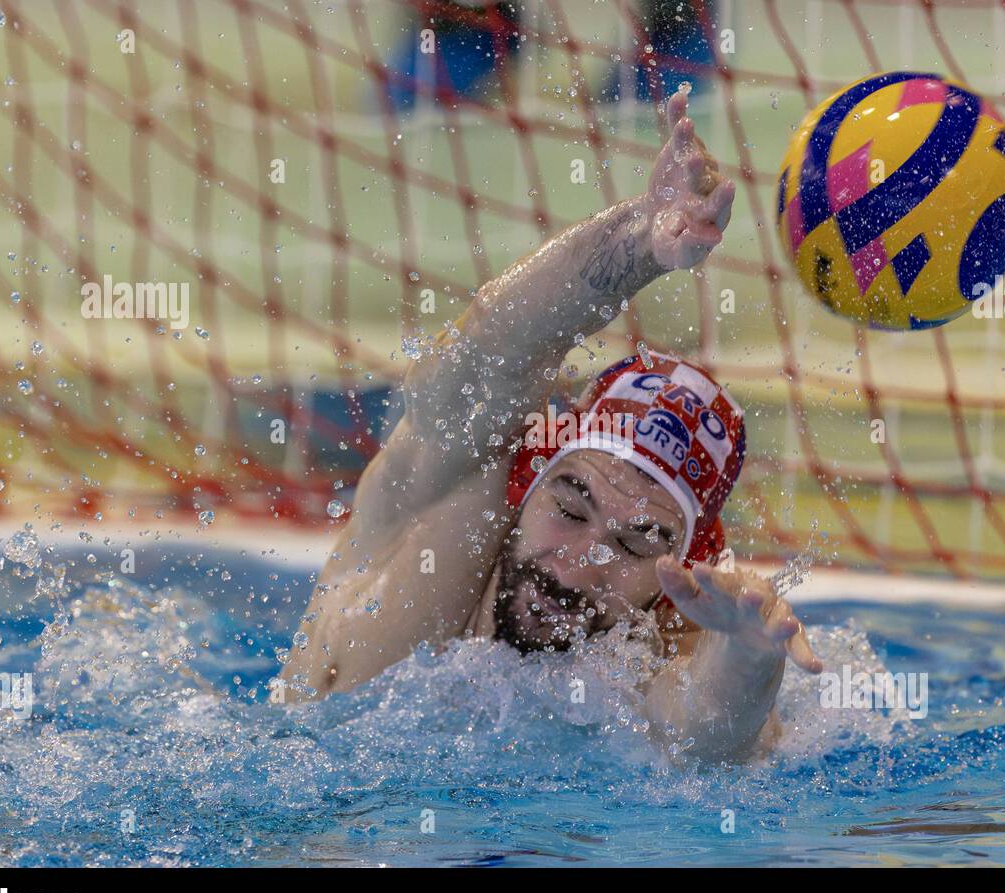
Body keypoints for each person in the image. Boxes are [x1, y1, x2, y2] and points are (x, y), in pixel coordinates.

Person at [280, 89, 821, 762]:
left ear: (677, 572)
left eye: (633, 545)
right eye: (570, 507)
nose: (577, 563)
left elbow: (706, 739)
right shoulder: (444, 507)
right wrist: (641, 243)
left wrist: (746, 656)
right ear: (528, 479)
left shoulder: (658, 646)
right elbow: (489, 354)